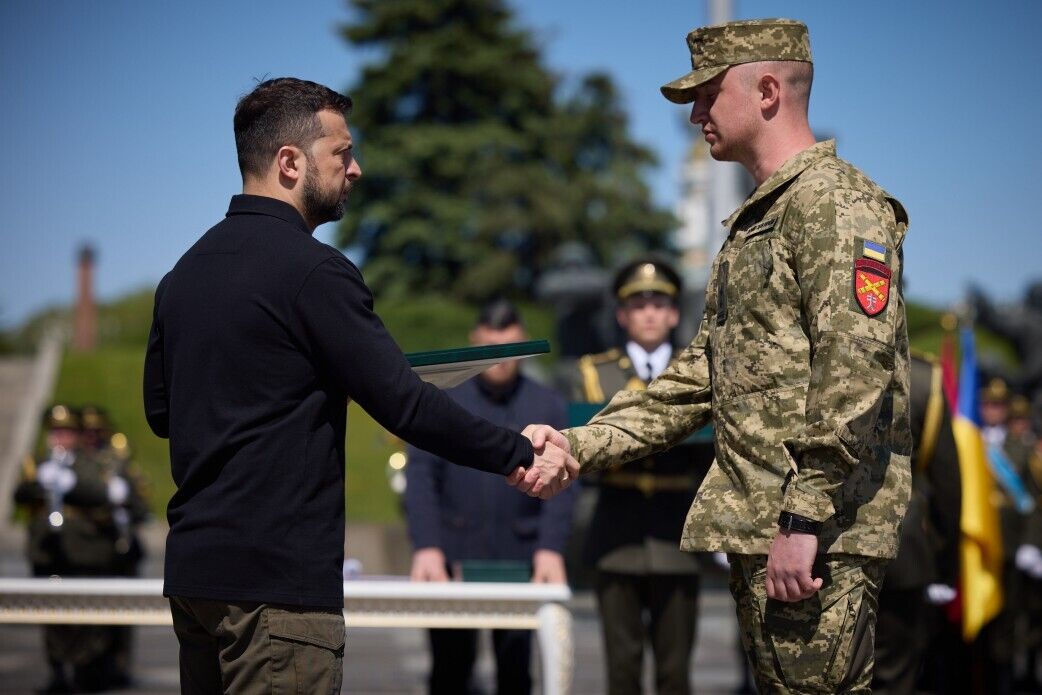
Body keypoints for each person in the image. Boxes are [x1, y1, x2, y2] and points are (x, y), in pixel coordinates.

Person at [143, 77, 576, 694]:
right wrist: (517, 453)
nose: (356, 169)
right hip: (278, 591)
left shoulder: (181, 275)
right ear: (289, 162)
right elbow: (403, 402)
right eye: (342, 153)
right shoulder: (315, 272)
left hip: (195, 577)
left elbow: (164, 413)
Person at [522, 18, 911, 693]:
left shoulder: (835, 206)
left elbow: (855, 372)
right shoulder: (759, 224)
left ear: (767, 90)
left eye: (708, 93)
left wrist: (803, 518)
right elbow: (693, 379)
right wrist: (579, 445)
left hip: (815, 538)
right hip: (771, 532)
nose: (697, 112)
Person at [405, 300, 577, 695]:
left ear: (522, 343)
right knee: (449, 671)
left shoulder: (546, 403)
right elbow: (421, 476)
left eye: (509, 345)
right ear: (476, 340)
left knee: (516, 674)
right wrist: (427, 545)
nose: (501, 357)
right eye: (491, 344)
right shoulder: (444, 398)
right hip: (453, 555)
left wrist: (550, 548)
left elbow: (566, 485)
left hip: (520, 557)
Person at [569, 258, 711, 695]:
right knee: (622, 668)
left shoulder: (699, 372)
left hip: (677, 535)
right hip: (617, 535)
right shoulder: (594, 373)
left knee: (675, 672)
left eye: (660, 304)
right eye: (639, 305)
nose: (649, 313)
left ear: (674, 314)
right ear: (622, 315)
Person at [13, 405, 131, 693]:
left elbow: (102, 493)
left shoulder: (90, 463)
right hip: (49, 553)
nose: (60, 438)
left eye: (66, 432)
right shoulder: (39, 464)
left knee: (85, 619)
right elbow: (18, 497)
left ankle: (84, 672)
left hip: (84, 552)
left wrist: (72, 484)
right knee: (53, 618)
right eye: (55, 432)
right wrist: (37, 484)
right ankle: (58, 673)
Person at [872, 353, 961, 694]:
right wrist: (945, 562)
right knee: (892, 676)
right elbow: (948, 483)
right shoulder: (923, 378)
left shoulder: (810, 354)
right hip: (902, 547)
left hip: (815, 540)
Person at [79, 405, 151, 689]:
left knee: (123, 614)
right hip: (94, 547)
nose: (93, 436)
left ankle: (119, 665)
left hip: (122, 548)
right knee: (91, 612)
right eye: (89, 431)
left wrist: (126, 497)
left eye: (98, 430)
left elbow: (142, 505)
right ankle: (91, 665)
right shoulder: (80, 463)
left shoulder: (119, 463)